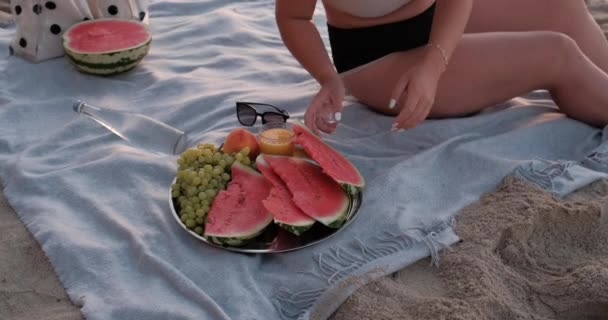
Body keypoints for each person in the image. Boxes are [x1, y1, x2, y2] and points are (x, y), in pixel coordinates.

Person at [275, 0, 608, 135]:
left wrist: (434, 65)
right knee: (556, 54)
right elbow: (294, 16)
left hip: (436, 24)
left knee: (560, 7)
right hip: (376, 59)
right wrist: (328, 79)